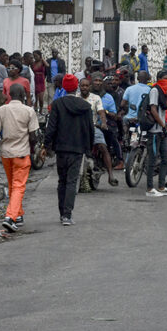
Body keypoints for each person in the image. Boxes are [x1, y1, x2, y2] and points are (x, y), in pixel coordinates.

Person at [42, 74, 94, 226]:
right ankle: (67, 215)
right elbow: (90, 129)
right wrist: (89, 148)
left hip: (61, 149)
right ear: (76, 87)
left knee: (62, 181)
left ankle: (61, 213)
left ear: (63, 87)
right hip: (78, 149)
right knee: (72, 181)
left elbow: (51, 128)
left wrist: (46, 145)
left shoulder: (58, 104)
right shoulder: (86, 106)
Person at [0, 84, 38, 232]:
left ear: (9, 95)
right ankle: (10, 217)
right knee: (18, 186)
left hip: (6, 154)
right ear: (23, 95)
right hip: (21, 154)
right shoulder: (29, 111)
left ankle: (19, 214)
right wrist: (33, 150)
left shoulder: (1, 110)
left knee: (12, 185)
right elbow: (33, 137)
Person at [78, 77, 118, 186]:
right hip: (78, 128)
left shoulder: (96, 98)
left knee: (103, 147)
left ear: (89, 87)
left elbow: (101, 112)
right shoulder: (76, 98)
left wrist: (104, 123)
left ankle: (111, 176)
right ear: (79, 86)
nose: (85, 88)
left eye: (87, 86)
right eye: (83, 85)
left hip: (93, 127)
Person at [144, 73, 167, 196]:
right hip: (154, 131)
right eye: (165, 79)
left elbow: (165, 105)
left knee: (166, 159)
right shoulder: (155, 90)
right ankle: (150, 188)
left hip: (162, 131)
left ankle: (162, 186)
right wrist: (163, 125)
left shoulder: (163, 92)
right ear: (159, 80)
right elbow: (153, 109)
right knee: (152, 160)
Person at [92, 74, 122, 169]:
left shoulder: (109, 97)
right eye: (95, 80)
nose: (98, 83)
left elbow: (114, 114)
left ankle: (120, 159)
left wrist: (105, 112)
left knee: (112, 135)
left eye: (100, 81)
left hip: (105, 123)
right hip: (89, 123)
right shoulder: (87, 95)